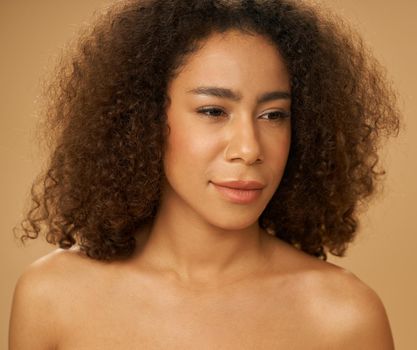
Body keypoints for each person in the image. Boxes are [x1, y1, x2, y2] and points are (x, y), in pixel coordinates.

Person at [9, 0, 400, 348]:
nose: (249, 149)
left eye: (274, 115)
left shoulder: (344, 317)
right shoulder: (52, 296)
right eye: (213, 111)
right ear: (142, 119)